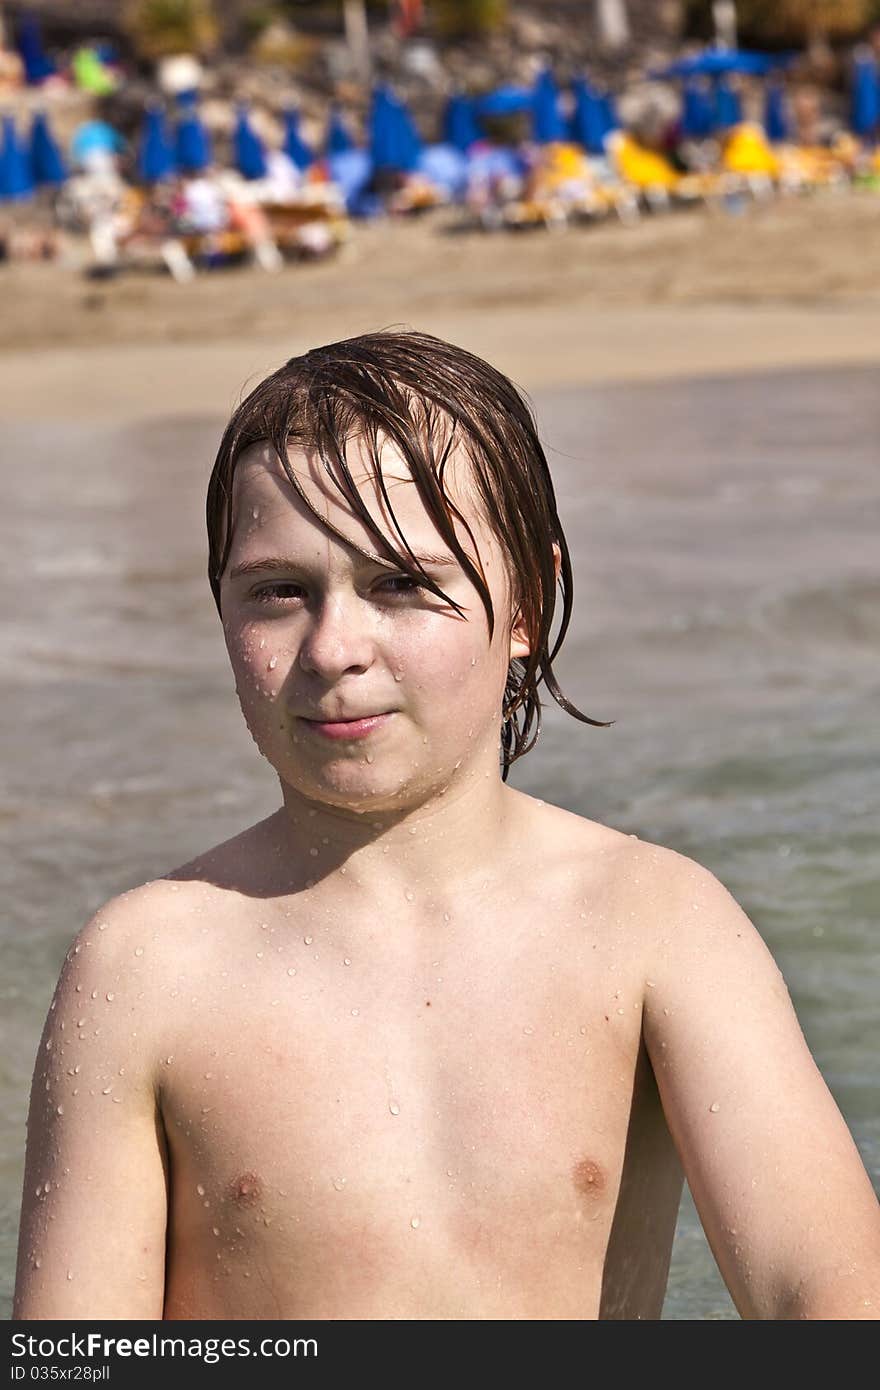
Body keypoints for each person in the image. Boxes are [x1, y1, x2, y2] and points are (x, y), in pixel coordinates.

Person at [13, 331, 880, 1321]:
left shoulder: (653, 924)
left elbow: (828, 1294)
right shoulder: (146, 965)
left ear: (527, 603)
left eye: (402, 584)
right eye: (279, 591)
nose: (335, 647)